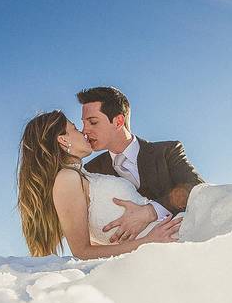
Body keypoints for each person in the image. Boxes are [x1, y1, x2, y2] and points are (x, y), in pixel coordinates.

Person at [16, 110, 182, 260]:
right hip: (166, 246)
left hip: (176, 234)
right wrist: (148, 242)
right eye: (75, 129)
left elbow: (100, 242)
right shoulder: (67, 178)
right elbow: (82, 251)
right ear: (63, 139)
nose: (84, 133)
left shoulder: (84, 176)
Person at [76, 86, 204, 244]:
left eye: (93, 122)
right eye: (83, 123)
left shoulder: (167, 151)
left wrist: (150, 212)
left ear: (118, 121)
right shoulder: (91, 170)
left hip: (186, 245)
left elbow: (196, 187)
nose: (84, 131)